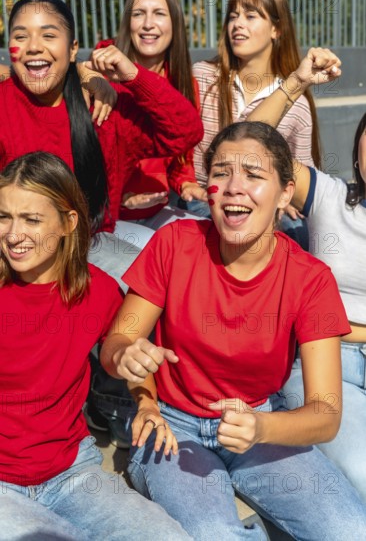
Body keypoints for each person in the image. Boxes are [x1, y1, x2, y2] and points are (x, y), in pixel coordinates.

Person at [98, 50, 366, 541]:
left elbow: (325, 413)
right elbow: (119, 343)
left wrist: (261, 429)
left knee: (351, 528)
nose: (233, 188)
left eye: (254, 175)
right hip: (172, 429)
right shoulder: (175, 243)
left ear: (287, 193)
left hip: (261, 422)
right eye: (220, 173)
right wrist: (130, 363)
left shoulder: (309, 278)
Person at [0, 151, 191, 541]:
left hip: (74, 472)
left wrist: (147, 401)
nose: (13, 234)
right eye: (4, 216)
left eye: (32, 219)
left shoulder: (98, 289)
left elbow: (119, 350)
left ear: (69, 222)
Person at [1, 0, 203, 286]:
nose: (34, 47)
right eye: (22, 35)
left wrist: (134, 76)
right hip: (14, 251)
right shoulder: (5, 103)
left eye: (48, 35)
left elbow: (186, 131)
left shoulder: (104, 107)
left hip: (92, 247)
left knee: (159, 282)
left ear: (72, 50)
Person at [245, 46, 366, 505]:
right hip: (331, 360)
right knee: (362, 471)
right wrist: (296, 83)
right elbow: (249, 138)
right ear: (358, 148)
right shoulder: (329, 196)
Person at [188, 0, 320, 244]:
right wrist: (187, 184)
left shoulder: (297, 103)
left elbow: (303, 174)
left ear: (276, 30)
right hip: (202, 199)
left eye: (250, 16)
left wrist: (285, 198)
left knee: (297, 231)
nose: (237, 24)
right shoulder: (203, 76)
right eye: (233, 16)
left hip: (257, 203)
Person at [92, 0, 207, 238]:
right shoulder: (101, 76)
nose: (147, 24)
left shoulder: (183, 82)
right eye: (138, 14)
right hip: (110, 216)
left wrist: (185, 183)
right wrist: (121, 197)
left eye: (159, 14)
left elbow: (181, 155)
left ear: (175, 22)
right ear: (127, 22)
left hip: (162, 208)